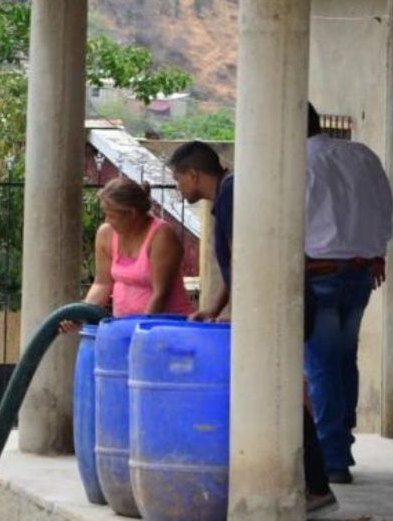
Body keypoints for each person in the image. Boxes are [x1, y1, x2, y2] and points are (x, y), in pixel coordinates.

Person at [169, 139, 336, 512]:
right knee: (280, 394)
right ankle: (312, 484)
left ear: (194, 174)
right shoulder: (229, 194)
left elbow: (247, 258)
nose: (179, 188)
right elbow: (236, 263)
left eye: (179, 179)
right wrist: (214, 307)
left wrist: (250, 312)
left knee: (281, 397)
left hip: (278, 309)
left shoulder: (231, 195)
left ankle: (313, 484)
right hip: (277, 306)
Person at [303, 103, 392, 484]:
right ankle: (341, 445)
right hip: (360, 271)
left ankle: (331, 457)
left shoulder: (297, 163)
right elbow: (385, 210)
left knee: (322, 366)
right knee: (342, 361)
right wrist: (376, 252)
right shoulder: (362, 155)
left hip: (318, 271)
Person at [60, 177, 193, 333]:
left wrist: (140, 334)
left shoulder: (162, 236)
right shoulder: (106, 234)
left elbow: (160, 294)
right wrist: (82, 316)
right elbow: (102, 284)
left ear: (132, 214)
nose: (107, 220)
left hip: (165, 330)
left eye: (111, 215)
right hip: (123, 329)